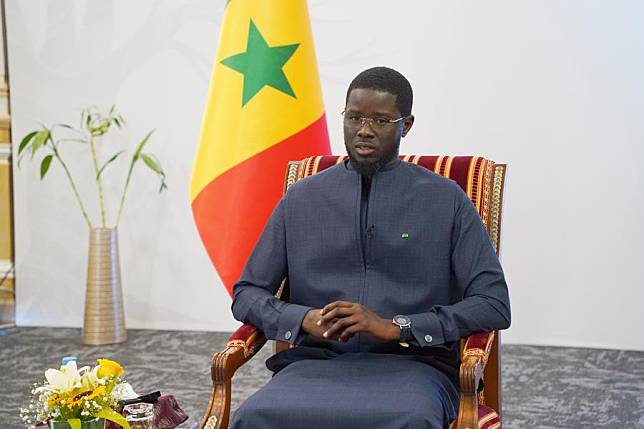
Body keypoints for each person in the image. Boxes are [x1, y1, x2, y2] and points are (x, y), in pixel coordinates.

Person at [229, 66, 511, 429]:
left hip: (415, 366)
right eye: (355, 117)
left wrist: (398, 327)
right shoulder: (301, 199)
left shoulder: (446, 200)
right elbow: (247, 294)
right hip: (315, 363)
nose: (363, 129)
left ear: (405, 125)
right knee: (253, 416)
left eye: (380, 120)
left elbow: (493, 304)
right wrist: (304, 319)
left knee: (411, 419)